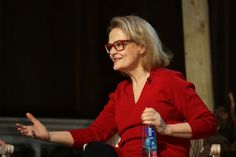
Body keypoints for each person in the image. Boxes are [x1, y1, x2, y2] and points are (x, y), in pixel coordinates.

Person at [16, 15, 217, 157]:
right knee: (95, 149)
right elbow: (94, 133)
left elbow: (208, 123)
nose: (113, 51)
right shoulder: (121, 92)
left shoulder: (168, 80)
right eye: (110, 47)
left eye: (119, 44)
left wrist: (166, 128)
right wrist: (48, 135)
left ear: (142, 46)